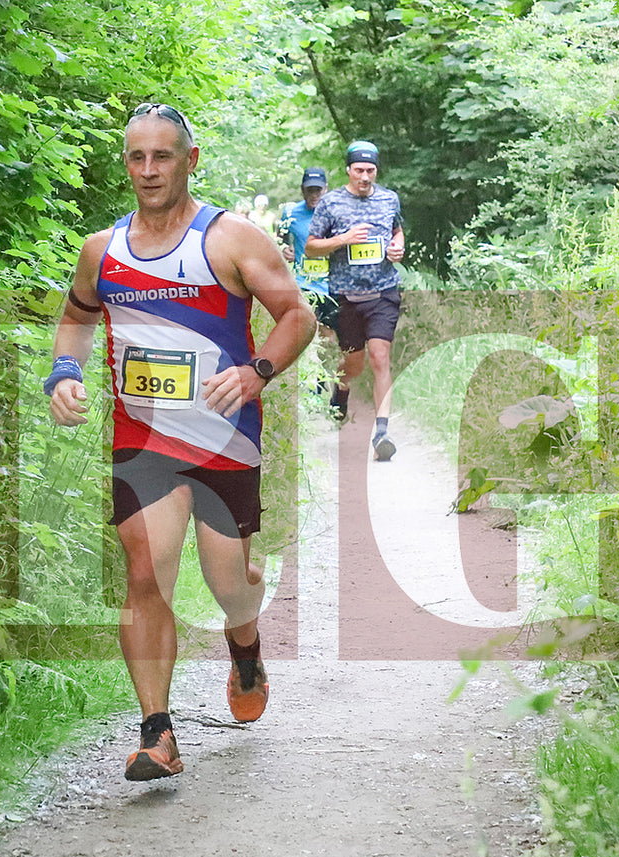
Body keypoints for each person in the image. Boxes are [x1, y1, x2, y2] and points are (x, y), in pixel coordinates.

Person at [46, 103, 315, 781]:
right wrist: (65, 370)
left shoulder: (231, 240)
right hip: (143, 442)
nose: (148, 170)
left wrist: (256, 373)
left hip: (225, 439)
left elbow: (297, 316)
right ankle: (156, 732)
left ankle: (245, 643)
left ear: (189, 160)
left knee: (230, 584)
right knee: (144, 573)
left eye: (161, 156)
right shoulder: (101, 250)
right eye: (136, 157)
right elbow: (76, 318)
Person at [304, 140, 406, 459]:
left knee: (380, 356)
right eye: (359, 170)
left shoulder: (389, 199)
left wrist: (398, 247)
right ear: (348, 170)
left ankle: (382, 433)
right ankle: (341, 391)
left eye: (370, 170)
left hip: (384, 291)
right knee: (353, 364)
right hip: (346, 295)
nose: (365, 177)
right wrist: (344, 239)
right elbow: (311, 247)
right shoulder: (331, 203)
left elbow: (397, 230)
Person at [276, 167, 344, 416]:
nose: (314, 195)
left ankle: (323, 386)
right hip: (304, 285)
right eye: (309, 190)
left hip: (331, 286)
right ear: (302, 190)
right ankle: (308, 392)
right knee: (306, 338)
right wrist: (284, 250)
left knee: (329, 341)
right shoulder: (291, 213)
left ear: (326, 189)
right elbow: (281, 239)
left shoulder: (337, 213)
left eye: (318, 190)